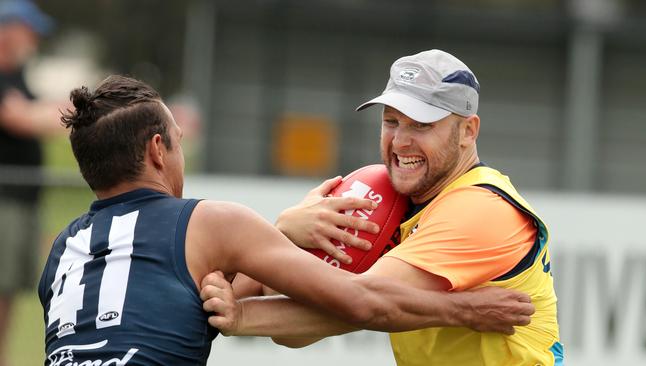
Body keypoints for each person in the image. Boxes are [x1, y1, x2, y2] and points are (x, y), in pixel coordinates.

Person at [38, 75, 534, 365]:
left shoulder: (62, 252)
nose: (401, 139)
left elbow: (182, 301)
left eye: (420, 125)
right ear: (157, 151)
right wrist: (466, 310)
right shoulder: (210, 224)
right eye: (179, 143)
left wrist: (280, 235)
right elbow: (361, 303)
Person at [202, 49, 563, 365]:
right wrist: (284, 233)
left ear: (468, 131)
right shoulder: (395, 200)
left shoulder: (480, 209)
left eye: (422, 124)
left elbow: (365, 303)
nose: (401, 141)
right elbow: (300, 330)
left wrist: (242, 317)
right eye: (391, 121)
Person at [0, 1, 61, 364]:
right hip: (3, 204)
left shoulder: (17, 78)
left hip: (20, 204)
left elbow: (41, 111)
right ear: (7, 30)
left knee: (9, 294)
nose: (34, 39)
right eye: (29, 30)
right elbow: (20, 119)